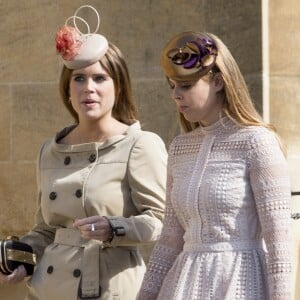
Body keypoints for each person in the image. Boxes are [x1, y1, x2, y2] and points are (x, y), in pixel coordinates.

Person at [0, 5, 167, 300]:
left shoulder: (140, 144)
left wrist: (114, 228)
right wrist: (21, 262)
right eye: (79, 78)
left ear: (118, 87)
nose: (88, 88)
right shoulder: (50, 150)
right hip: (48, 289)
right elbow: (46, 230)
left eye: (100, 78)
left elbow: (160, 221)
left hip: (109, 289)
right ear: (67, 90)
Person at [137, 31, 292, 299]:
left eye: (185, 86)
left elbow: (279, 240)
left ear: (218, 82)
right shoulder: (179, 148)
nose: (175, 95)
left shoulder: (257, 142)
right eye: (172, 86)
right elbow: (170, 239)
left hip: (241, 283)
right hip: (183, 285)